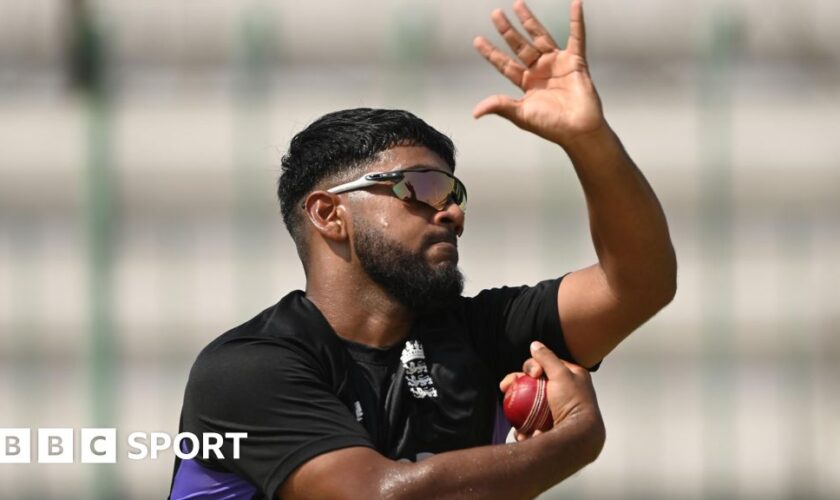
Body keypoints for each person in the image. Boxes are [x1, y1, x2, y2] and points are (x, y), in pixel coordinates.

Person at [169, 1, 676, 498]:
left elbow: (639, 283)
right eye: (422, 187)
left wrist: (588, 139)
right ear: (328, 214)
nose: (452, 212)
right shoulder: (247, 368)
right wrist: (574, 441)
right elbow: (377, 494)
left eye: (453, 193)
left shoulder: (477, 334)